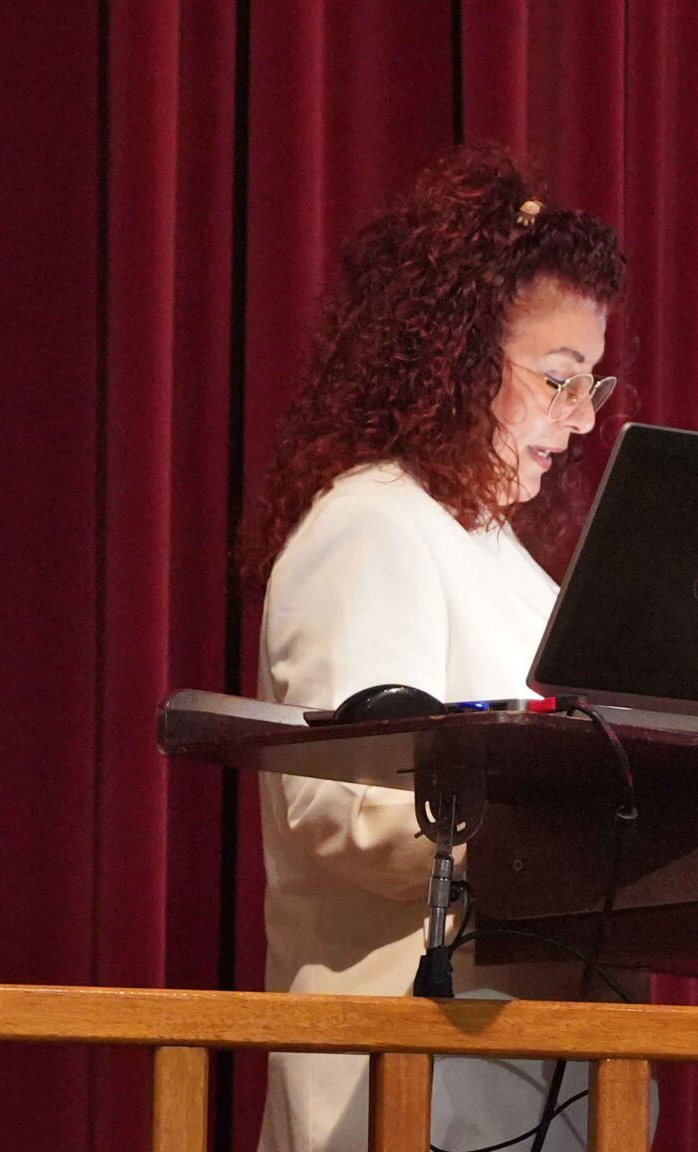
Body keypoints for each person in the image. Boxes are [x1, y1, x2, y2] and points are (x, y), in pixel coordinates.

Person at [241, 145, 626, 1152]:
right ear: (459, 358)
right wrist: (558, 828)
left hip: (534, 1090)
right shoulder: (372, 523)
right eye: (557, 379)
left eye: (590, 384)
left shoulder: (511, 564)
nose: (580, 420)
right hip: (407, 1090)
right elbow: (341, 809)